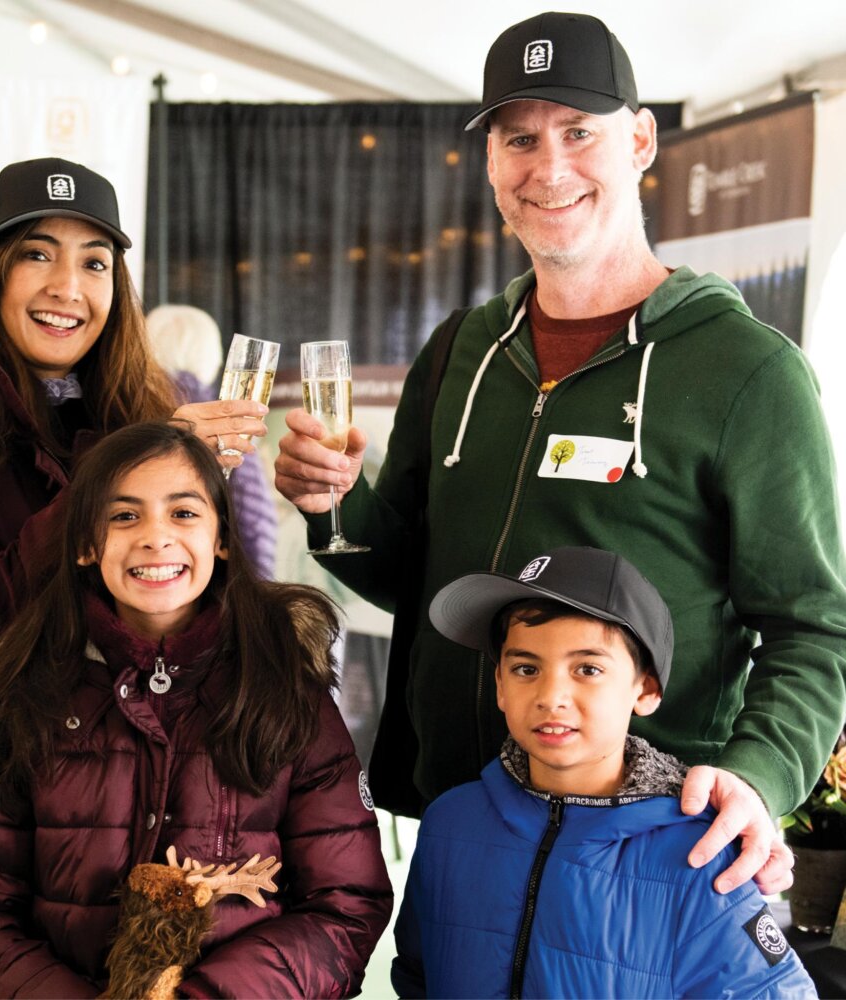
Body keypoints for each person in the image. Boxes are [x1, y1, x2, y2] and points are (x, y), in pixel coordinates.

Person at [274, 11, 846, 894]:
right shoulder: (463, 347)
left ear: (642, 139)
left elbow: (814, 628)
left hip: (644, 845)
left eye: (581, 132)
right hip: (461, 823)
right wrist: (333, 504)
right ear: (492, 163)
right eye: (520, 138)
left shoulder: (750, 373)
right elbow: (417, 579)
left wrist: (760, 776)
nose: (551, 168)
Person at [0, 157, 268, 998]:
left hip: (107, 821)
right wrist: (132, 476)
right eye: (38, 253)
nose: (68, 284)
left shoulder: (133, 413)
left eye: (95, 262)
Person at [0, 420, 393, 998]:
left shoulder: (285, 689)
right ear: (88, 545)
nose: (156, 537)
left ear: (221, 537)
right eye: (124, 516)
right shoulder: (24, 685)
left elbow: (345, 906)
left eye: (184, 513)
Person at [392, 547, 817, 999]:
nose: (551, 694)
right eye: (525, 668)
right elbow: (418, 976)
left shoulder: (697, 853)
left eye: (588, 668)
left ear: (646, 688)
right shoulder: (449, 823)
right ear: (499, 684)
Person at [146, 303, 279, 578]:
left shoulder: (127, 410)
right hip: (209, 582)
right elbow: (255, 524)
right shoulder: (224, 414)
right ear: (213, 356)